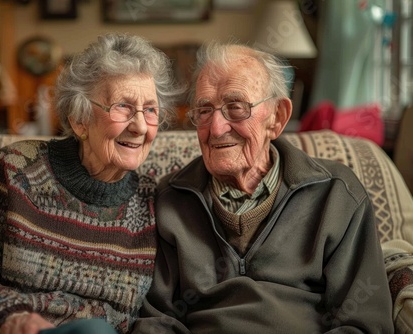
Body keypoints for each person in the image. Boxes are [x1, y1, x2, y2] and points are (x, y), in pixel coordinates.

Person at [132, 41, 394, 333]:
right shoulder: (171, 201)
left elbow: (364, 323)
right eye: (204, 110)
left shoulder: (336, 195)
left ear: (277, 117)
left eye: (236, 107)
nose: (216, 128)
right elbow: (156, 321)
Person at [0, 33, 183, 334]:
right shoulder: (20, 170)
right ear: (80, 120)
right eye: (123, 107)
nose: (140, 126)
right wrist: (11, 317)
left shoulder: (152, 203)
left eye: (150, 110)